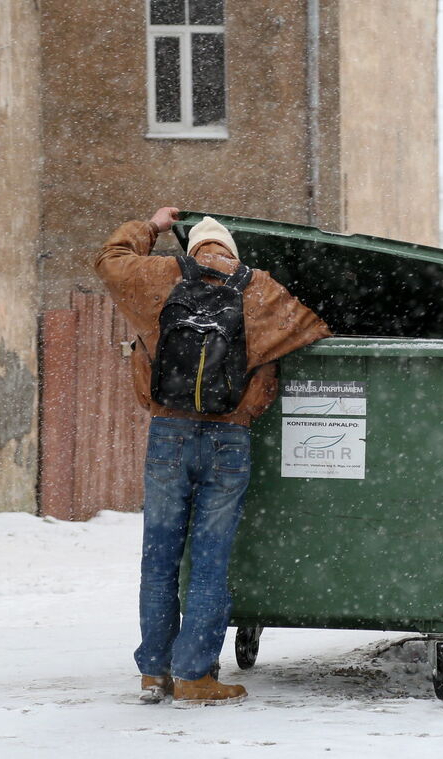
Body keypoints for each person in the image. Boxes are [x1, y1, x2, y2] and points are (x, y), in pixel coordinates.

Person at [95, 208, 331, 706]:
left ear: (192, 249)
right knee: (209, 558)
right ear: (231, 251)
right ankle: (195, 674)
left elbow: (110, 259)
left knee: (159, 557)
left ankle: (154, 672)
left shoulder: (158, 276)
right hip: (229, 437)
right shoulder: (260, 289)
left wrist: (152, 228)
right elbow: (313, 330)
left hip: (168, 432)